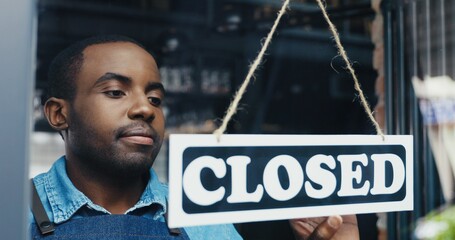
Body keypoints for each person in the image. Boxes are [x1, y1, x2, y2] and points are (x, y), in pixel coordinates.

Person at [30, 35, 359, 239]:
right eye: (116, 92)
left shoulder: (205, 224)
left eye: (155, 99)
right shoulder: (19, 212)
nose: (145, 109)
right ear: (60, 114)